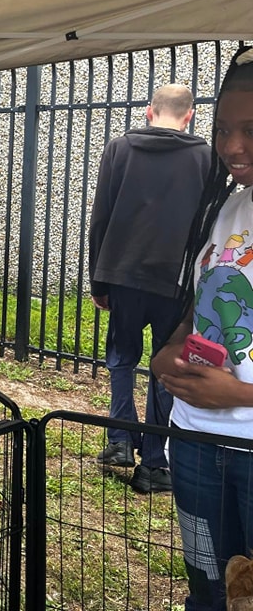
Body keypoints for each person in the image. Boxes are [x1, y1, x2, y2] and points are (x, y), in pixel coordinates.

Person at [151, 46, 253, 611]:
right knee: (209, 590)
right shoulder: (226, 208)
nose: (231, 145)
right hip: (193, 440)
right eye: (222, 129)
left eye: (250, 129)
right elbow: (199, 307)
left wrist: (237, 394)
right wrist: (169, 352)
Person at [88, 83, 210, 493]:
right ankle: (155, 464)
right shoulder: (205, 158)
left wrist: (98, 279)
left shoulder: (119, 149)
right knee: (165, 365)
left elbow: (101, 216)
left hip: (122, 274)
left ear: (148, 112)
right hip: (174, 281)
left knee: (121, 356)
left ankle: (120, 440)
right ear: (190, 114)